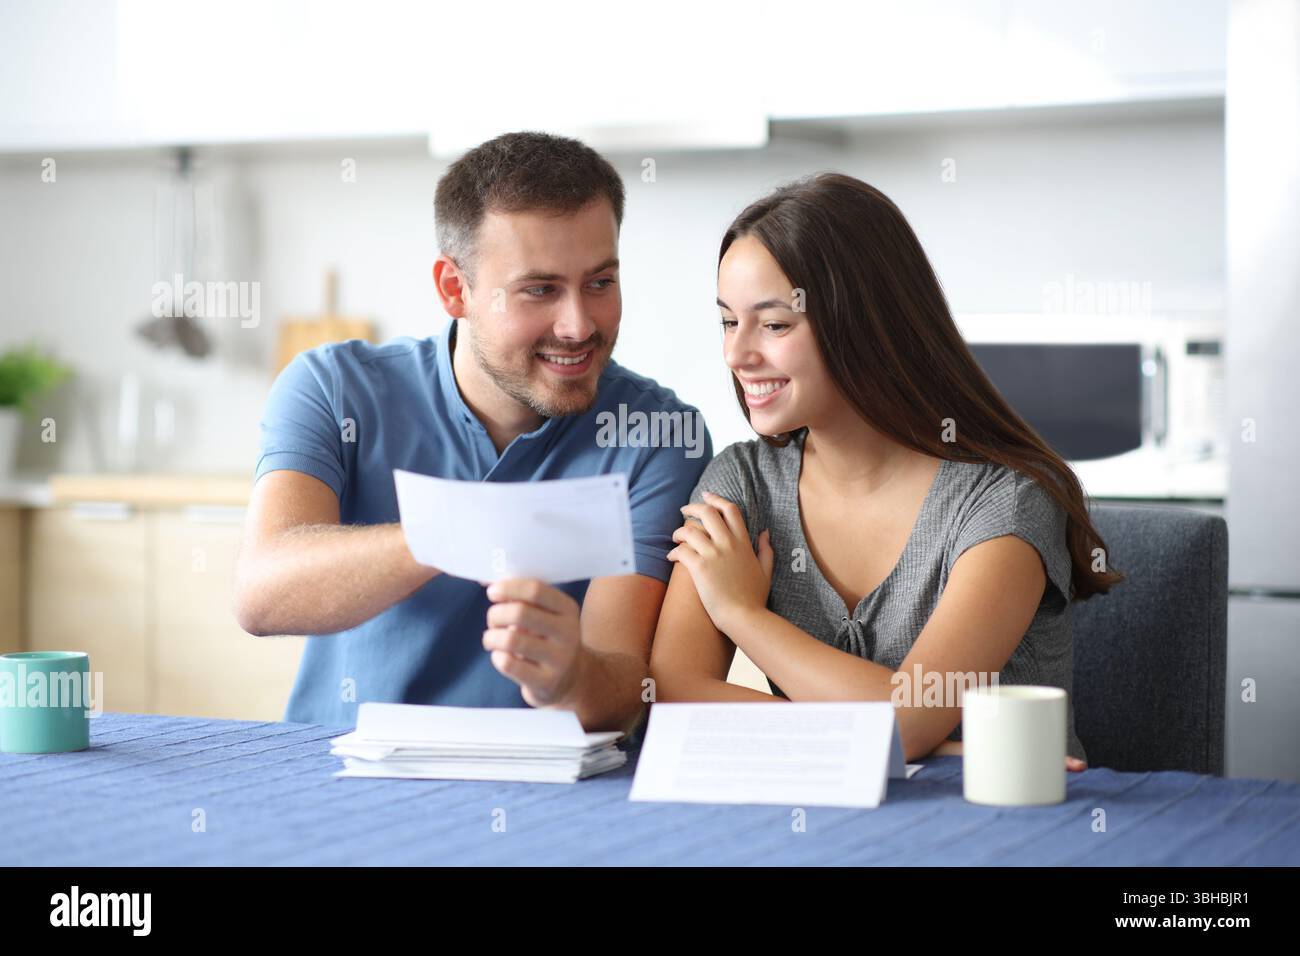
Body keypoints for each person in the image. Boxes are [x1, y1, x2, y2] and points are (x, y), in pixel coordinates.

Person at [233, 131, 711, 735]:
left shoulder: (657, 434)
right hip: (340, 775)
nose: (578, 324)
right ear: (455, 289)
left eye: (600, 283)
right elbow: (261, 593)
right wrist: (463, 529)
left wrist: (570, 678)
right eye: (540, 289)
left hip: (550, 798)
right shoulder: (333, 388)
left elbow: (626, 686)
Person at [649, 172, 1123, 767]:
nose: (736, 354)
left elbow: (905, 720)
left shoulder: (1003, 503)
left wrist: (741, 614)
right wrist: (919, 743)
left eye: (773, 324)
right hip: (829, 823)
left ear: (866, 323)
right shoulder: (741, 483)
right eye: (727, 321)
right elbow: (669, 698)